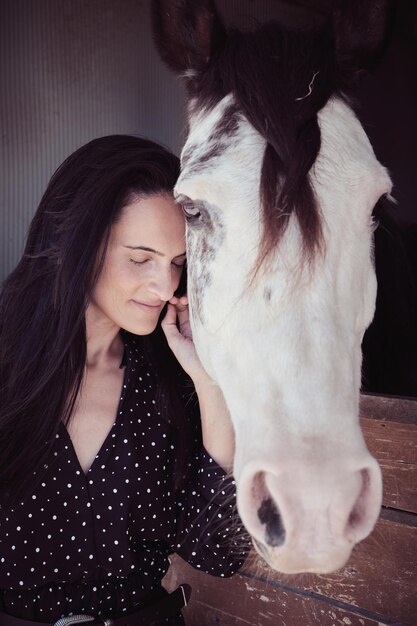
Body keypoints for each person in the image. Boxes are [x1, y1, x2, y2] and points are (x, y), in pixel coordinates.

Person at [0, 135, 248, 625]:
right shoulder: (9, 368)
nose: (166, 286)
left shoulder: (173, 383)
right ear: (76, 245)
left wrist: (209, 381)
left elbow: (217, 552)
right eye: (141, 259)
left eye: (178, 264)